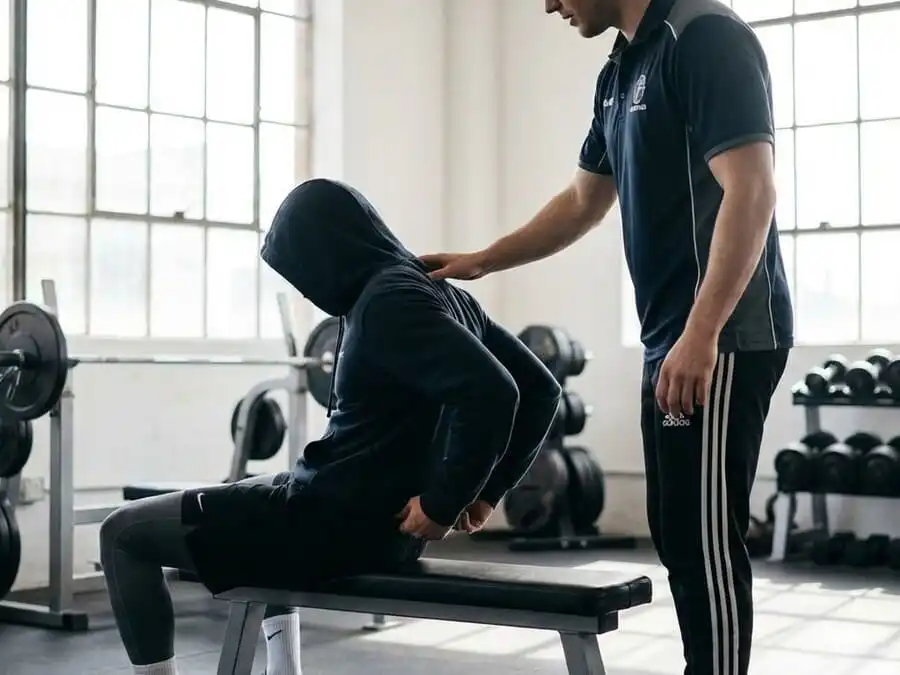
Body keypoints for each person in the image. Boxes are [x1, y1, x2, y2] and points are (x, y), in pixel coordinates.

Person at [421, 1, 793, 674]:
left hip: (726, 331)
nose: (549, 4)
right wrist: (481, 259)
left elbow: (754, 190)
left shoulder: (704, 36)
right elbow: (582, 201)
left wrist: (702, 331)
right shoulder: (621, 69)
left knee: (702, 536)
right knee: (679, 529)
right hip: (672, 335)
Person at [99, 178, 562, 675]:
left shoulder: (388, 301)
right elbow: (542, 390)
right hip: (381, 526)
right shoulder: (438, 290)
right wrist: (485, 493)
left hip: (331, 525)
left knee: (123, 533)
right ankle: (285, 669)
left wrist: (446, 502)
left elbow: (496, 391)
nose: (305, 287)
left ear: (326, 251)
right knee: (257, 487)